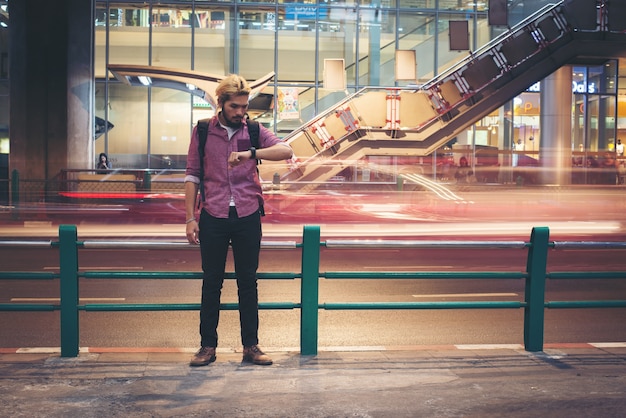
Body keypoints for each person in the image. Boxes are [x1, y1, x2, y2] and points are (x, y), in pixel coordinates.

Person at [184, 74, 293, 367]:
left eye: (244, 106)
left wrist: (250, 154)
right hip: (213, 214)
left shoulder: (254, 130)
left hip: (247, 214)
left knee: (248, 282)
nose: (240, 112)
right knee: (212, 282)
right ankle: (207, 347)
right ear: (221, 103)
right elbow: (192, 174)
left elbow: (287, 150)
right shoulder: (204, 131)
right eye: (234, 106)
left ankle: (251, 346)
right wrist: (189, 219)